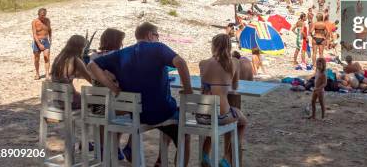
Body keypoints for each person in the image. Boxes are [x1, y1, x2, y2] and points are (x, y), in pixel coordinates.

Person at [88, 22, 193, 166]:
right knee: (184, 134)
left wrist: (112, 87)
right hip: (161, 113)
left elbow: (91, 65)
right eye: (157, 35)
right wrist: (188, 91)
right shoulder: (158, 48)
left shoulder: (121, 54)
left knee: (172, 120)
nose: (158, 38)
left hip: (137, 114)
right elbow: (181, 62)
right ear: (150, 35)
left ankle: (160, 161)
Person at [198, 34, 247, 167]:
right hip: (221, 115)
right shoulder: (234, 62)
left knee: (212, 120)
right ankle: (226, 158)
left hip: (201, 115)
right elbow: (235, 86)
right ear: (229, 47)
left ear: (213, 46)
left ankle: (204, 155)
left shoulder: (202, 63)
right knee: (242, 122)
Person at [89, 28, 126, 160]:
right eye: (121, 41)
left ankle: (103, 146)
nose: (122, 44)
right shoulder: (118, 56)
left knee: (108, 106)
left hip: (96, 105)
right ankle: (115, 146)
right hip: (112, 105)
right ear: (116, 42)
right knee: (133, 109)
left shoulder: (93, 56)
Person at [50, 35, 93, 109]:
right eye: (83, 47)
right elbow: (91, 79)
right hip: (69, 101)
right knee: (98, 101)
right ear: (80, 47)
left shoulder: (59, 58)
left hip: (57, 100)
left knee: (80, 95)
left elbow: (66, 76)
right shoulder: (75, 60)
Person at [32, 8, 52, 80]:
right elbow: (34, 34)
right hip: (37, 41)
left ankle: (47, 74)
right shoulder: (34, 22)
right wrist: (39, 44)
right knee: (36, 59)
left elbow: (49, 29)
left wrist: (50, 38)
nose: (43, 17)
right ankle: (37, 74)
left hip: (46, 41)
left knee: (46, 57)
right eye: (41, 15)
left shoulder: (47, 20)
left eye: (44, 15)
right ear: (38, 14)